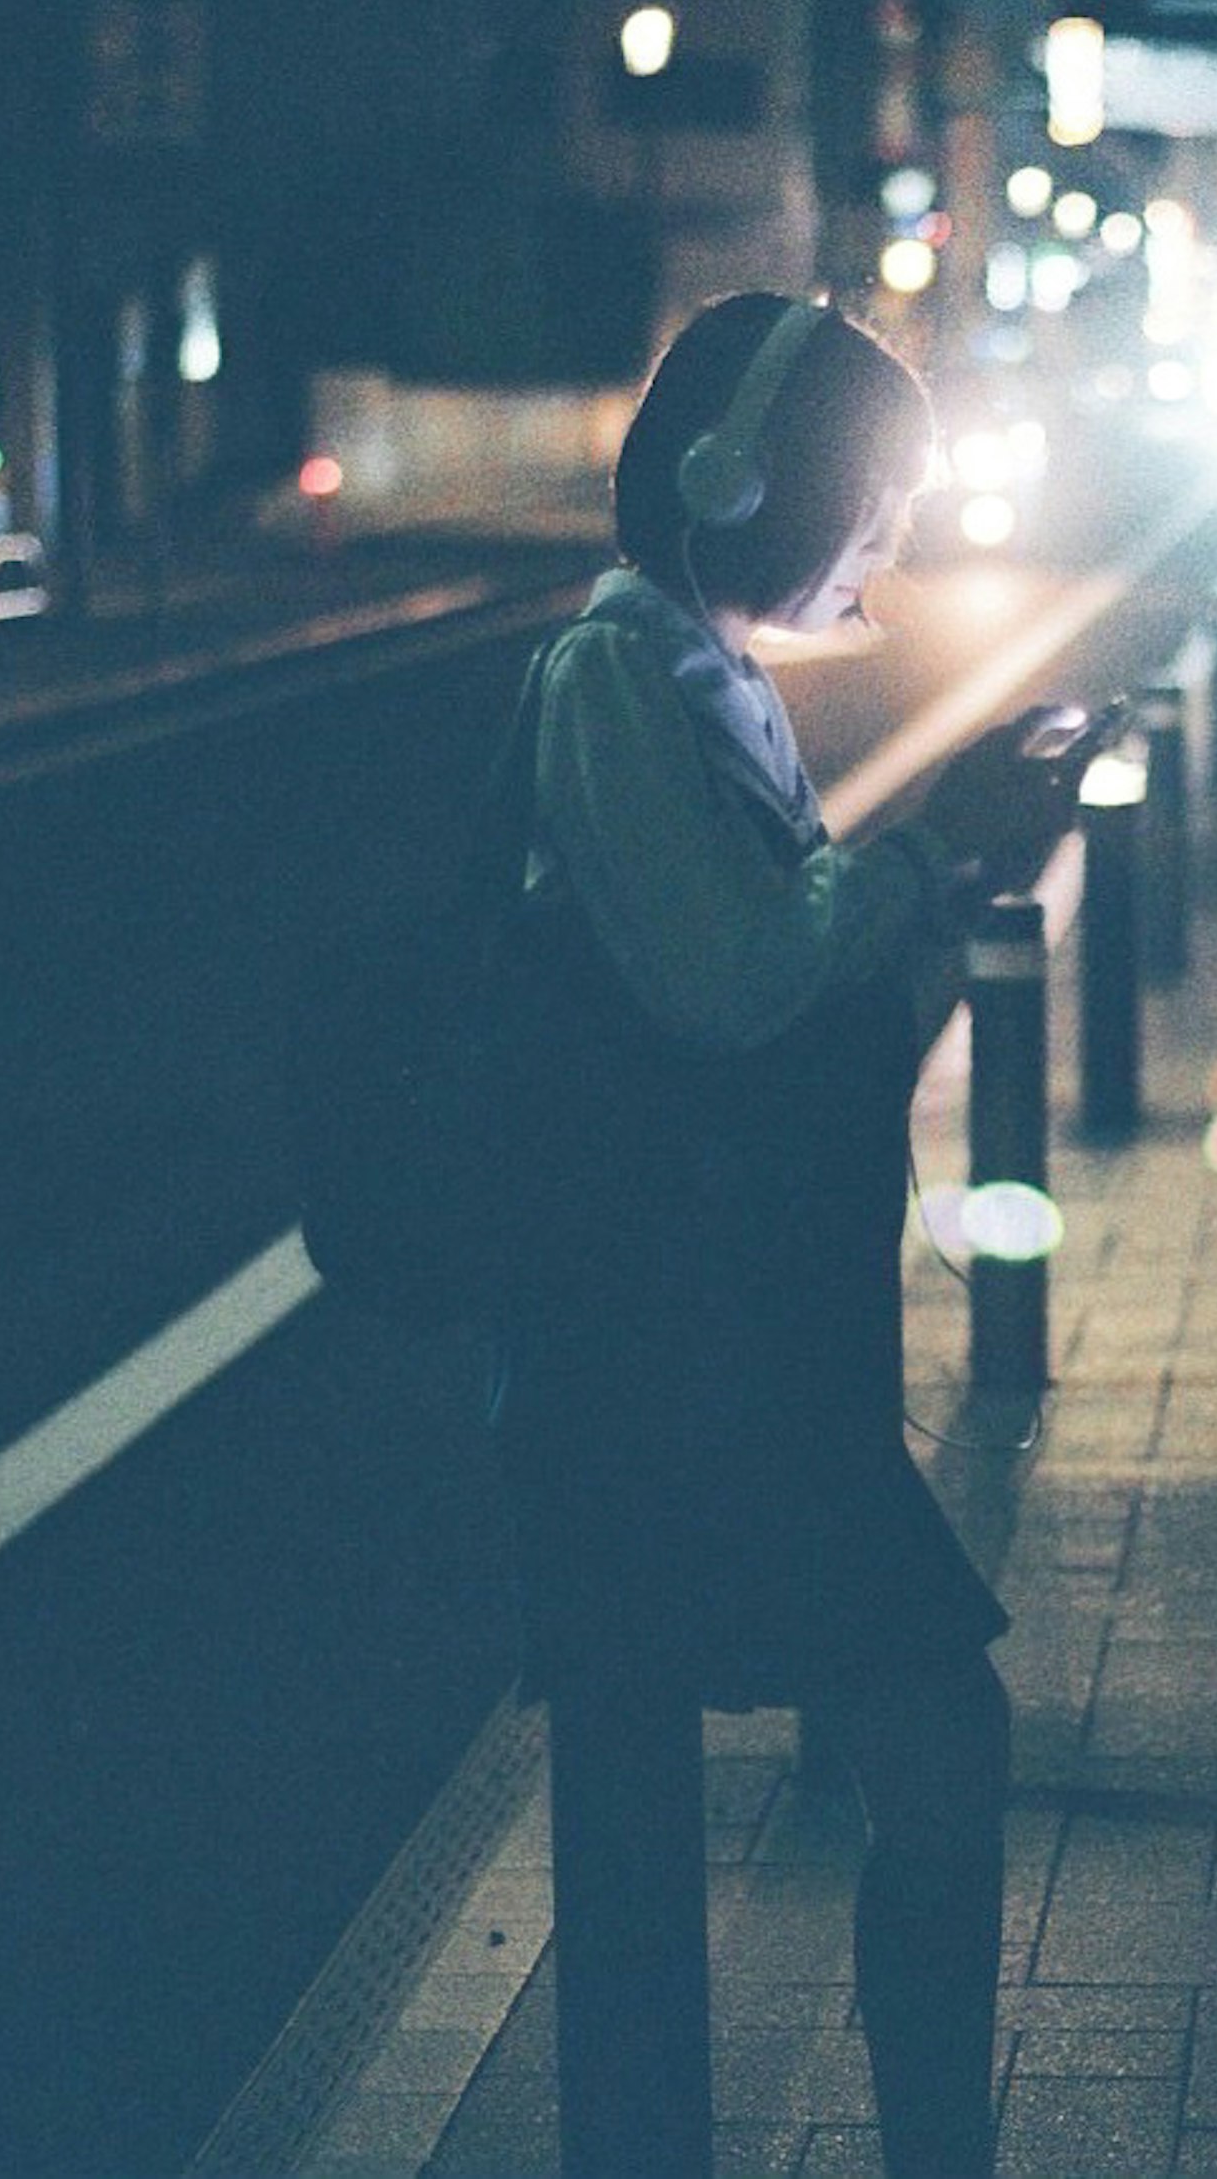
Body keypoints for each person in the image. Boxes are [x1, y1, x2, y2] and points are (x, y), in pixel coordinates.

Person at [488, 292, 1080, 2178]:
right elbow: (730, 983)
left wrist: (949, 864)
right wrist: (919, 861)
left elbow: (787, 990)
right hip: (673, 1375)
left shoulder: (700, 678)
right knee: (940, 1743)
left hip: (733, 1351)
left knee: (928, 1752)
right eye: (874, 509)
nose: (890, 553)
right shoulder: (613, 680)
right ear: (746, 483)